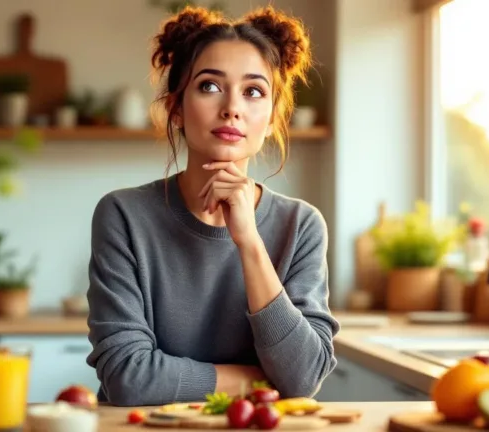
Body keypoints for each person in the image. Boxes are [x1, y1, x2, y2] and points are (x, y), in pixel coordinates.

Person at [85, 4, 340, 407]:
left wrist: (250, 242)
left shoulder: (302, 225)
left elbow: (304, 376)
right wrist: (255, 381)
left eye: (254, 91)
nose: (232, 108)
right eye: (209, 86)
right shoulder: (123, 215)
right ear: (176, 108)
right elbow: (127, 378)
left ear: (273, 117)